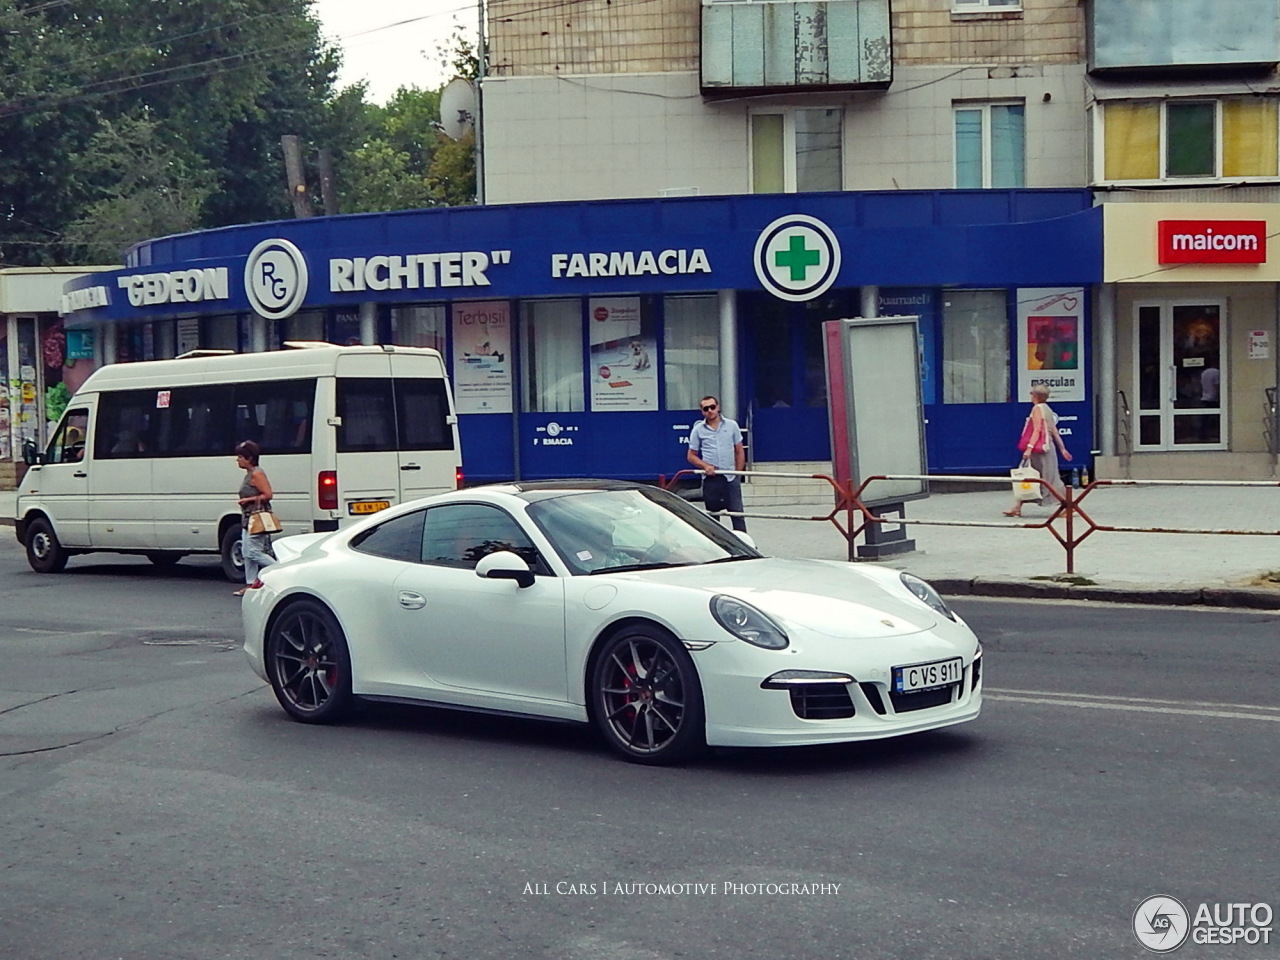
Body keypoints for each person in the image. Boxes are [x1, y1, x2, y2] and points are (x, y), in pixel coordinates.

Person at [1004, 385, 1072, 517]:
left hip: (1038, 450)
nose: (1030, 396)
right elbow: (1054, 431)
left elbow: (1036, 430)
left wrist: (1029, 448)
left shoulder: (1037, 408)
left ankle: (1069, 505)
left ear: (1035, 396)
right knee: (1040, 477)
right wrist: (1062, 448)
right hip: (1048, 448)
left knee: (1041, 478)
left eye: (1032, 394)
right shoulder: (1047, 409)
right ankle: (1017, 506)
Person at [687, 395, 747, 532]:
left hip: (730, 478)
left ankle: (745, 546)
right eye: (705, 408)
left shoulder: (732, 425)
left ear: (718, 407)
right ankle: (716, 547)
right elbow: (691, 455)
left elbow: (739, 450)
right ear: (702, 411)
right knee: (713, 518)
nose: (710, 411)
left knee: (737, 515)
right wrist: (705, 466)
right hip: (711, 480)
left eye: (712, 407)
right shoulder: (698, 430)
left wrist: (738, 473)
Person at [234, 439, 276, 596]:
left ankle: (278, 569)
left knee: (253, 552)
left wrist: (248, 500)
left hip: (257, 518)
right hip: (248, 518)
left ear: (249, 458)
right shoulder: (249, 474)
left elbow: (268, 494)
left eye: (240, 457)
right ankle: (251, 583)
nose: (237, 460)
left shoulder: (257, 474)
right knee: (246, 552)